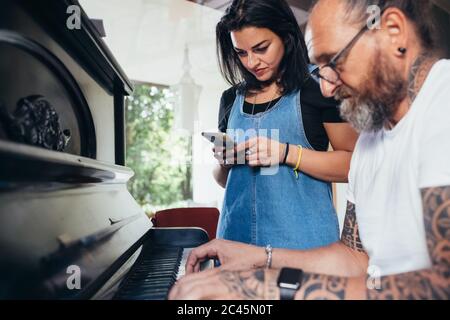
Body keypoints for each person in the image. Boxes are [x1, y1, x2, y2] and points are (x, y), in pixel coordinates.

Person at [169, 0, 450, 300]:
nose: (327, 89)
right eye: (320, 67)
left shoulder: (442, 104)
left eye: (334, 61)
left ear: (393, 31)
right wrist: (260, 259)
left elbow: (442, 286)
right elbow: (354, 258)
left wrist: (259, 287)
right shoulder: (370, 142)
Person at [212, 0, 358, 250]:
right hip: (235, 243)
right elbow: (225, 180)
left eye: (261, 48)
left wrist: (285, 152)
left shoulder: (319, 87)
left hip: (305, 247)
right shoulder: (229, 99)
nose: (251, 62)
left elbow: (353, 165)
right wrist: (224, 163)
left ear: (286, 36)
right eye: (241, 52)